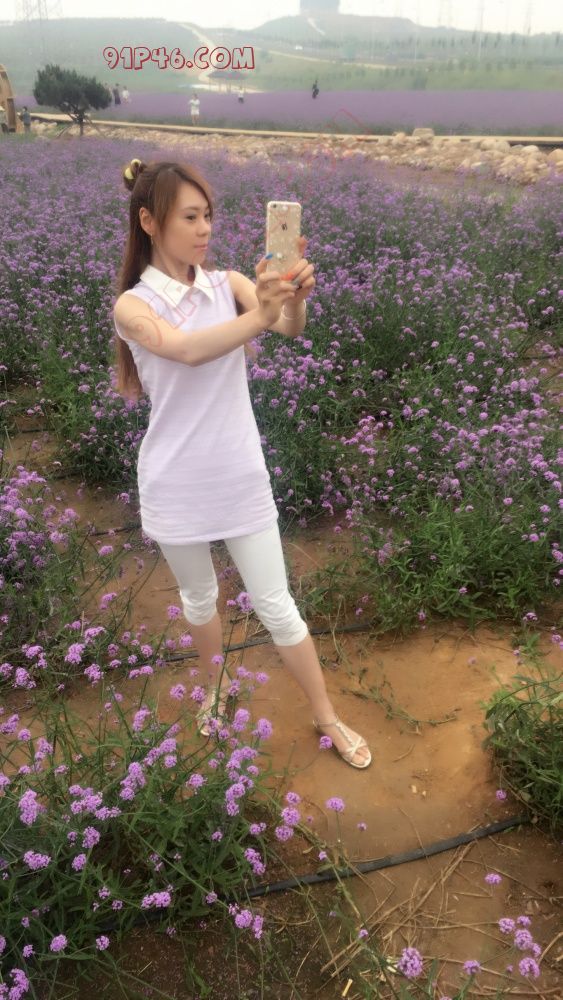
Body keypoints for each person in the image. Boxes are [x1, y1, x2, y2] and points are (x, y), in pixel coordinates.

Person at [111, 158, 372, 769]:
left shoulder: (227, 282)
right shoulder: (133, 306)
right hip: (175, 481)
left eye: (208, 216)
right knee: (200, 599)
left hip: (239, 474)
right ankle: (215, 687)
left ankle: (326, 716)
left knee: (276, 604)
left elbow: (289, 328)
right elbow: (186, 351)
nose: (204, 229)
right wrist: (261, 313)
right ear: (149, 221)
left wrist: (291, 297)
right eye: (190, 217)